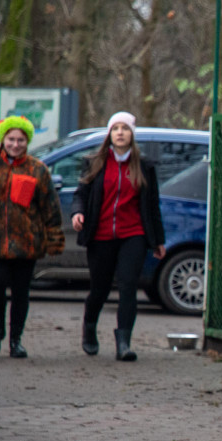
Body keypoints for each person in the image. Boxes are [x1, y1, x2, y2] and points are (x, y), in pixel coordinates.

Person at [70, 111, 165, 361]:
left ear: (132, 134)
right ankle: (89, 328)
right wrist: (78, 213)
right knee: (99, 289)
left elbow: (153, 205)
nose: (120, 132)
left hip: (133, 234)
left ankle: (124, 342)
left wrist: (158, 241)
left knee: (128, 287)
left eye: (125, 128)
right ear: (109, 134)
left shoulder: (144, 166)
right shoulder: (94, 162)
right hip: (100, 235)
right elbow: (81, 193)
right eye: (115, 128)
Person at [0, 115, 63, 358]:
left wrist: (53, 238)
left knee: (21, 293)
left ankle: (16, 339)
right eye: (11, 139)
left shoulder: (37, 169)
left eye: (21, 140)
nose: (15, 144)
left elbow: (50, 207)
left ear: (27, 140)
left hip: (27, 245)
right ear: (3, 139)